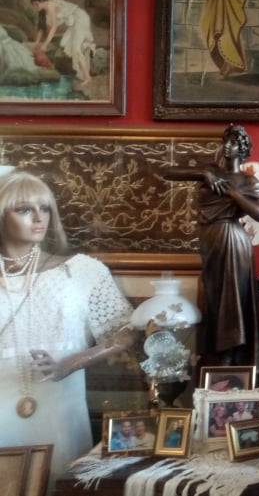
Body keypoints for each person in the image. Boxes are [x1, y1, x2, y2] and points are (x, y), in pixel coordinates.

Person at [0, 171, 136, 486]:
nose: (39, 218)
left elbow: (126, 331)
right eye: (24, 209)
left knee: (60, 482)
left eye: (45, 208)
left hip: (59, 408)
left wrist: (72, 362)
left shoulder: (81, 271)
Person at [164, 123, 259, 366]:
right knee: (214, 296)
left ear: (242, 149)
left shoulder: (247, 181)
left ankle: (230, 355)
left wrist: (233, 193)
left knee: (231, 296)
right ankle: (222, 354)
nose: (227, 146)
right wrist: (204, 173)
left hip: (232, 239)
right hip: (210, 240)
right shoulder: (211, 171)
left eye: (233, 143)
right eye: (226, 141)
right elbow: (168, 172)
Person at [30, 0, 96, 84]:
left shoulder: (50, 6)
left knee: (76, 48)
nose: (35, 7)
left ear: (41, 1)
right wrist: (36, 43)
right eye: (34, 5)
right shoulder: (43, 12)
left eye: (36, 4)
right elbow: (41, 28)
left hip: (80, 19)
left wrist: (45, 45)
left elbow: (54, 27)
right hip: (74, 23)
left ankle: (88, 77)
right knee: (66, 44)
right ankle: (88, 46)